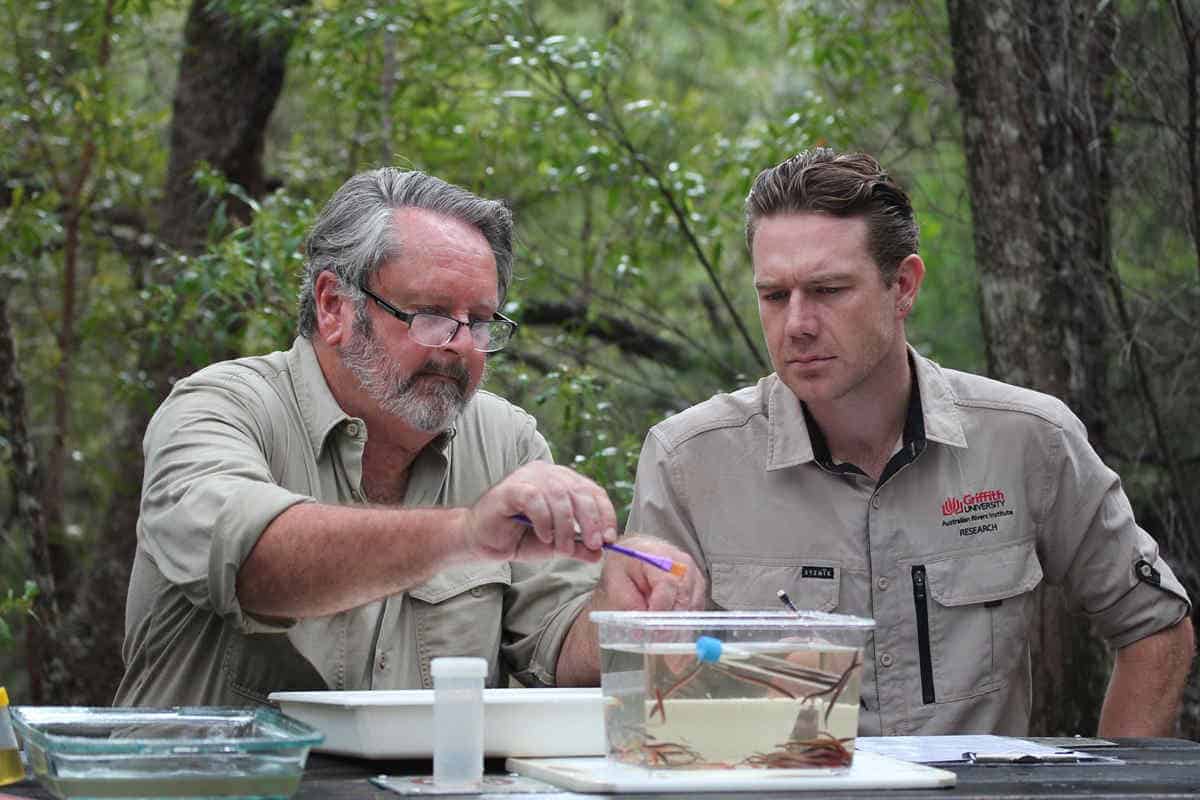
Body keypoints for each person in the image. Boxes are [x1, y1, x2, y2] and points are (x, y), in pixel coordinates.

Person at [627, 148, 1194, 737]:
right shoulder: (689, 461)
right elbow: (651, 696)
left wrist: (1117, 782)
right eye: (774, 296)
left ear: (902, 286)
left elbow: (1153, 625)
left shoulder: (1028, 441)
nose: (797, 323)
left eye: (827, 290)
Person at [115, 168, 704, 706]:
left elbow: (557, 651)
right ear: (333, 307)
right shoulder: (218, 408)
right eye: (429, 313)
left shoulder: (507, 441)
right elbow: (254, 562)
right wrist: (467, 532)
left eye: (479, 321)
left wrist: (622, 616)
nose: (460, 343)